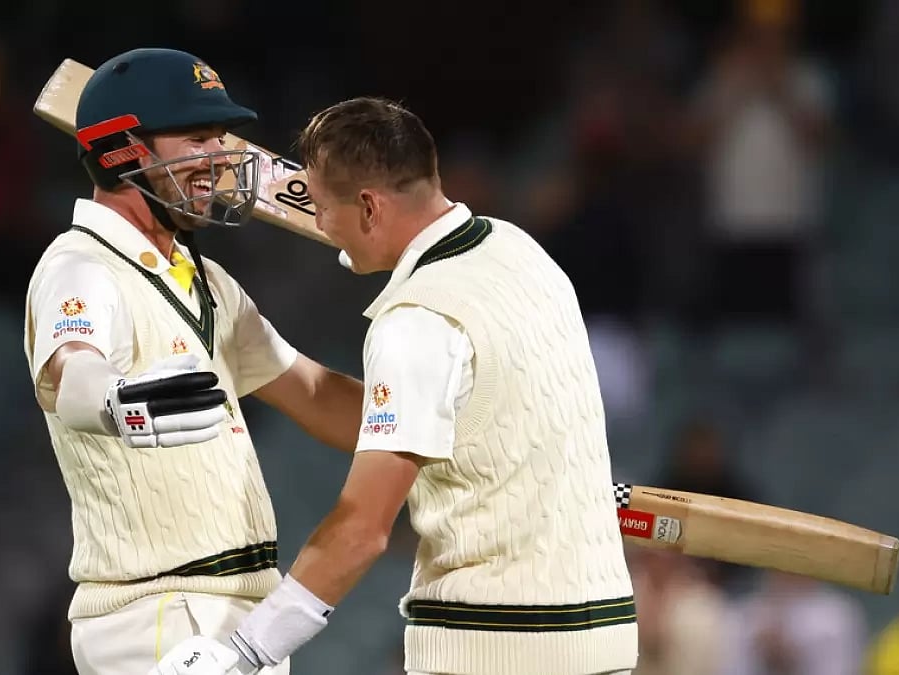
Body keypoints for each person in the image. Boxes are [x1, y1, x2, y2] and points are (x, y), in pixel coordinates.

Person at [158, 97, 638, 675]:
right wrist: (259, 357)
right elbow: (415, 422)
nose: (318, 225)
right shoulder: (521, 252)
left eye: (319, 207)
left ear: (368, 207)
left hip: (495, 649)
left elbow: (362, 530)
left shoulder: (416, 320)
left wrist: (243, 653)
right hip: (601, 640)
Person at [21, 48, 363, 675]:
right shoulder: (82, 264)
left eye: (221, 136)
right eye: (198, 137)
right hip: (157, 613)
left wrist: (436, 420)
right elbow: (71, 366)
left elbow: (316, 397)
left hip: (240, 616)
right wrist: (115, 401)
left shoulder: (206, 280)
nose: (222, 158)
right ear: (124, 150)